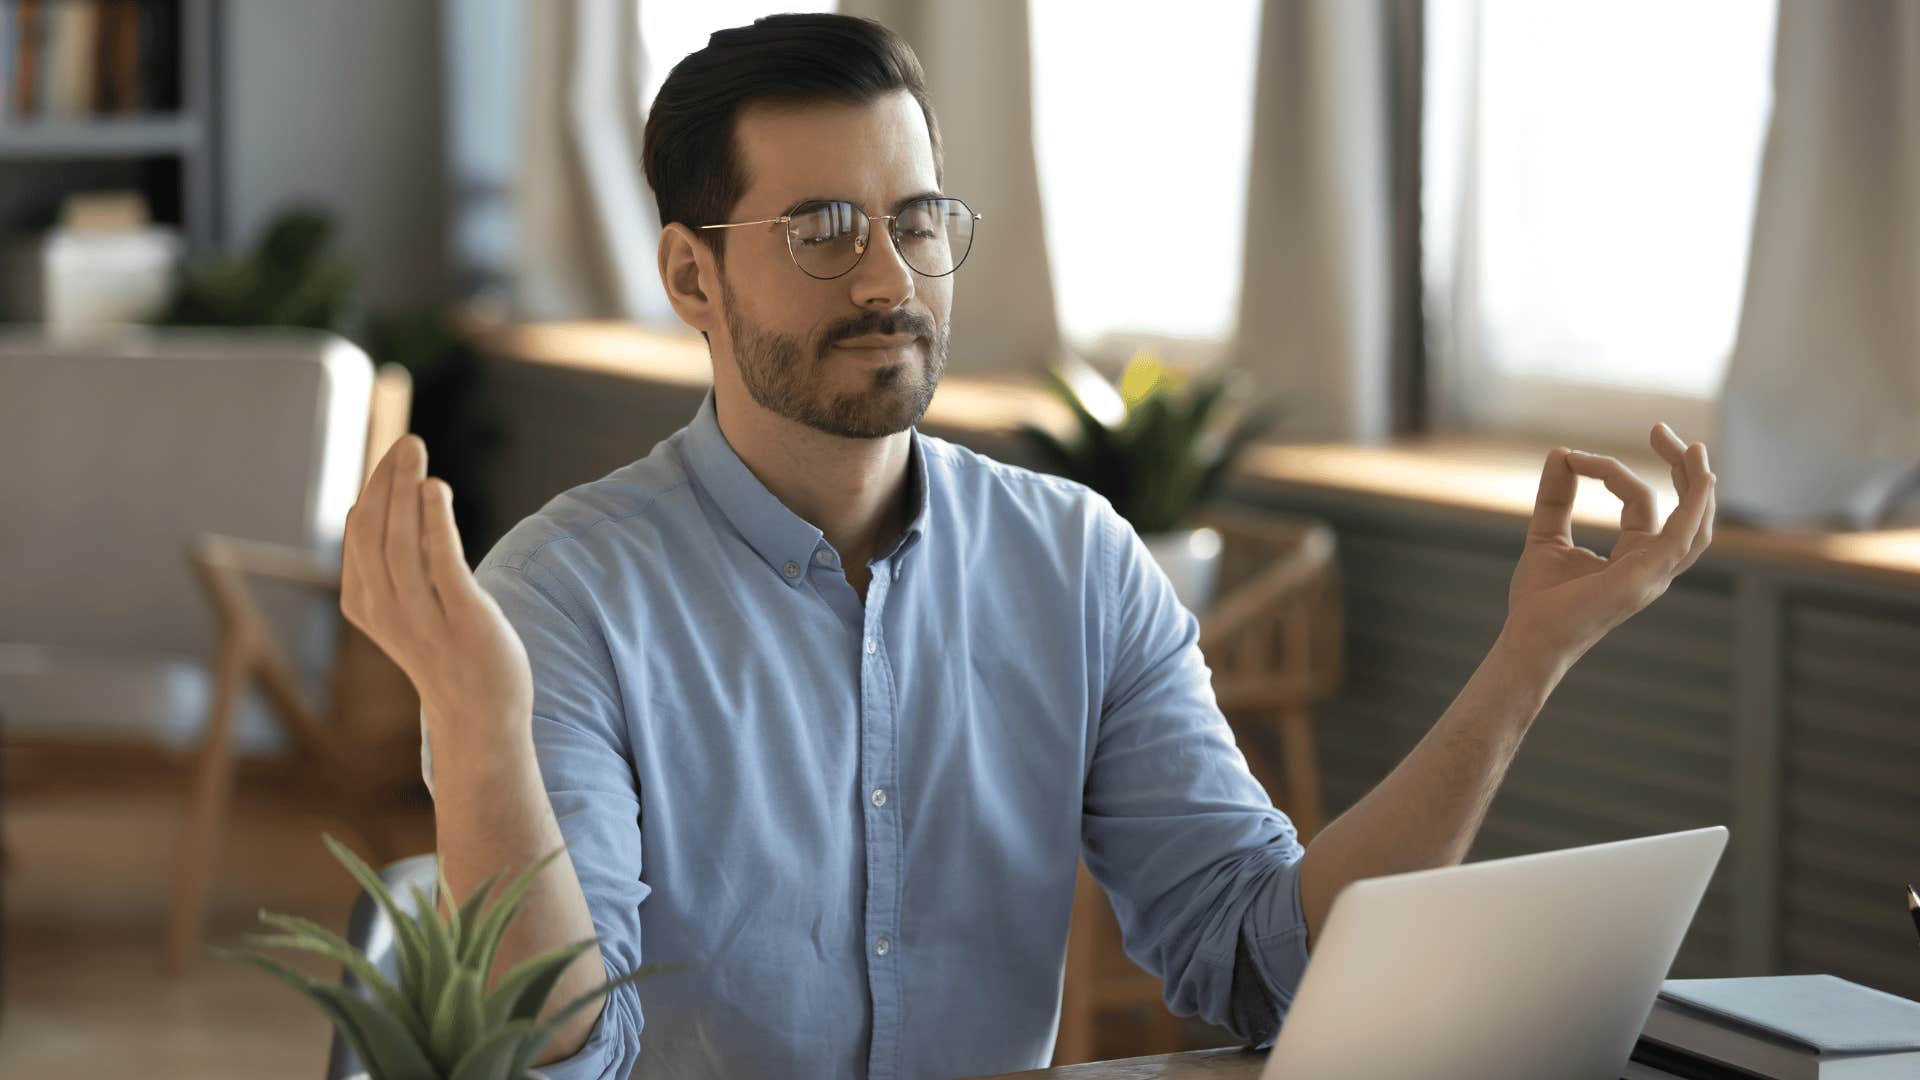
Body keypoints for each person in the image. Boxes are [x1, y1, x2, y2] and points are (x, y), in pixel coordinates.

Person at [339, 13, 1716, 1080]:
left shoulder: (1074, 562)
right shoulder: (563, 598)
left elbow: (1263, 956)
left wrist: (1530, 656)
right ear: (692, 275)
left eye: (917, 221)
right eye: (821, 230)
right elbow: (552, 1057)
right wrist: (477, 718)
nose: (889, 279)